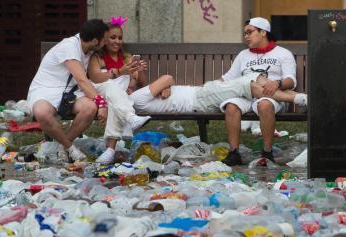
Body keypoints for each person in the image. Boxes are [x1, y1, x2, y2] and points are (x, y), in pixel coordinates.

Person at [27, 19, 109, 163]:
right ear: (95, 40)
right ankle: (71, 148)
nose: (105, 43)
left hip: (69, 93)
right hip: (45, 90)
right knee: (42, 112)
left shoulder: (88, 49)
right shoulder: (69, 47)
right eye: (104, 40)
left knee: (89, 108)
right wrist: (102, 104)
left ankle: (62, 146)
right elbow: (82, 80)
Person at [219, 17, 297, 166]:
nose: (246, 36)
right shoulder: (243, 55)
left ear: (263, 32)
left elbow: (291, 80)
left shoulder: (283, 53)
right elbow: (227, 79)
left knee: (265, 105)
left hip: (272, 96)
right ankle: (234, 153)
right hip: (248, 95)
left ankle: (267, 153)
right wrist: (207, 89)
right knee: (231, 106)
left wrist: (277, 83)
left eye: (249, 32)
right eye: (244, 33)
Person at [86, 16, 151, 165]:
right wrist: (120, 73)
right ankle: (130, 116)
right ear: (104, 39)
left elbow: (142, 83)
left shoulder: (127, 57)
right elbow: (95, 77)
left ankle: (110, 151)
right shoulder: (97, 57)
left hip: (117, 97)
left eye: (120, 38)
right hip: (99, 90)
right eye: (113, 37)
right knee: (112, 87)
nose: (117, 41)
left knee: (115, 102)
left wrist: (139, 71)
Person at [130, 74, 306, 117]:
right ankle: (297, 99)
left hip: (202, 95)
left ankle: (301, 97)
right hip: (200, 98)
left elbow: (167, 80)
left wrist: (164, 87)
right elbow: (167, 77)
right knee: (250, 84)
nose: (134, 77)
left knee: (256, 78)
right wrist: (165, 84)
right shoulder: (135, 98)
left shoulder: (136, 100)